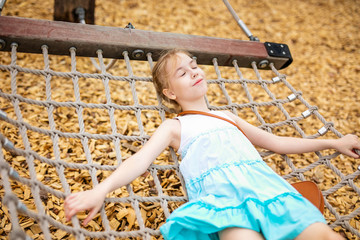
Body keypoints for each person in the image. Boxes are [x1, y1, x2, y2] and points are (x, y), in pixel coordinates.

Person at [64, 49, 360, 240]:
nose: (194, 71)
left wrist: (334, 142)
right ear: (169, 92)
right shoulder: (174, 126)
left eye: (194, 66)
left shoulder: (228, 117)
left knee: (322, 235)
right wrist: (100, 190)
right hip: (223, 200)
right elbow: (140, 161)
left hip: (269, 190)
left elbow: (277, 142)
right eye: (182, 72)